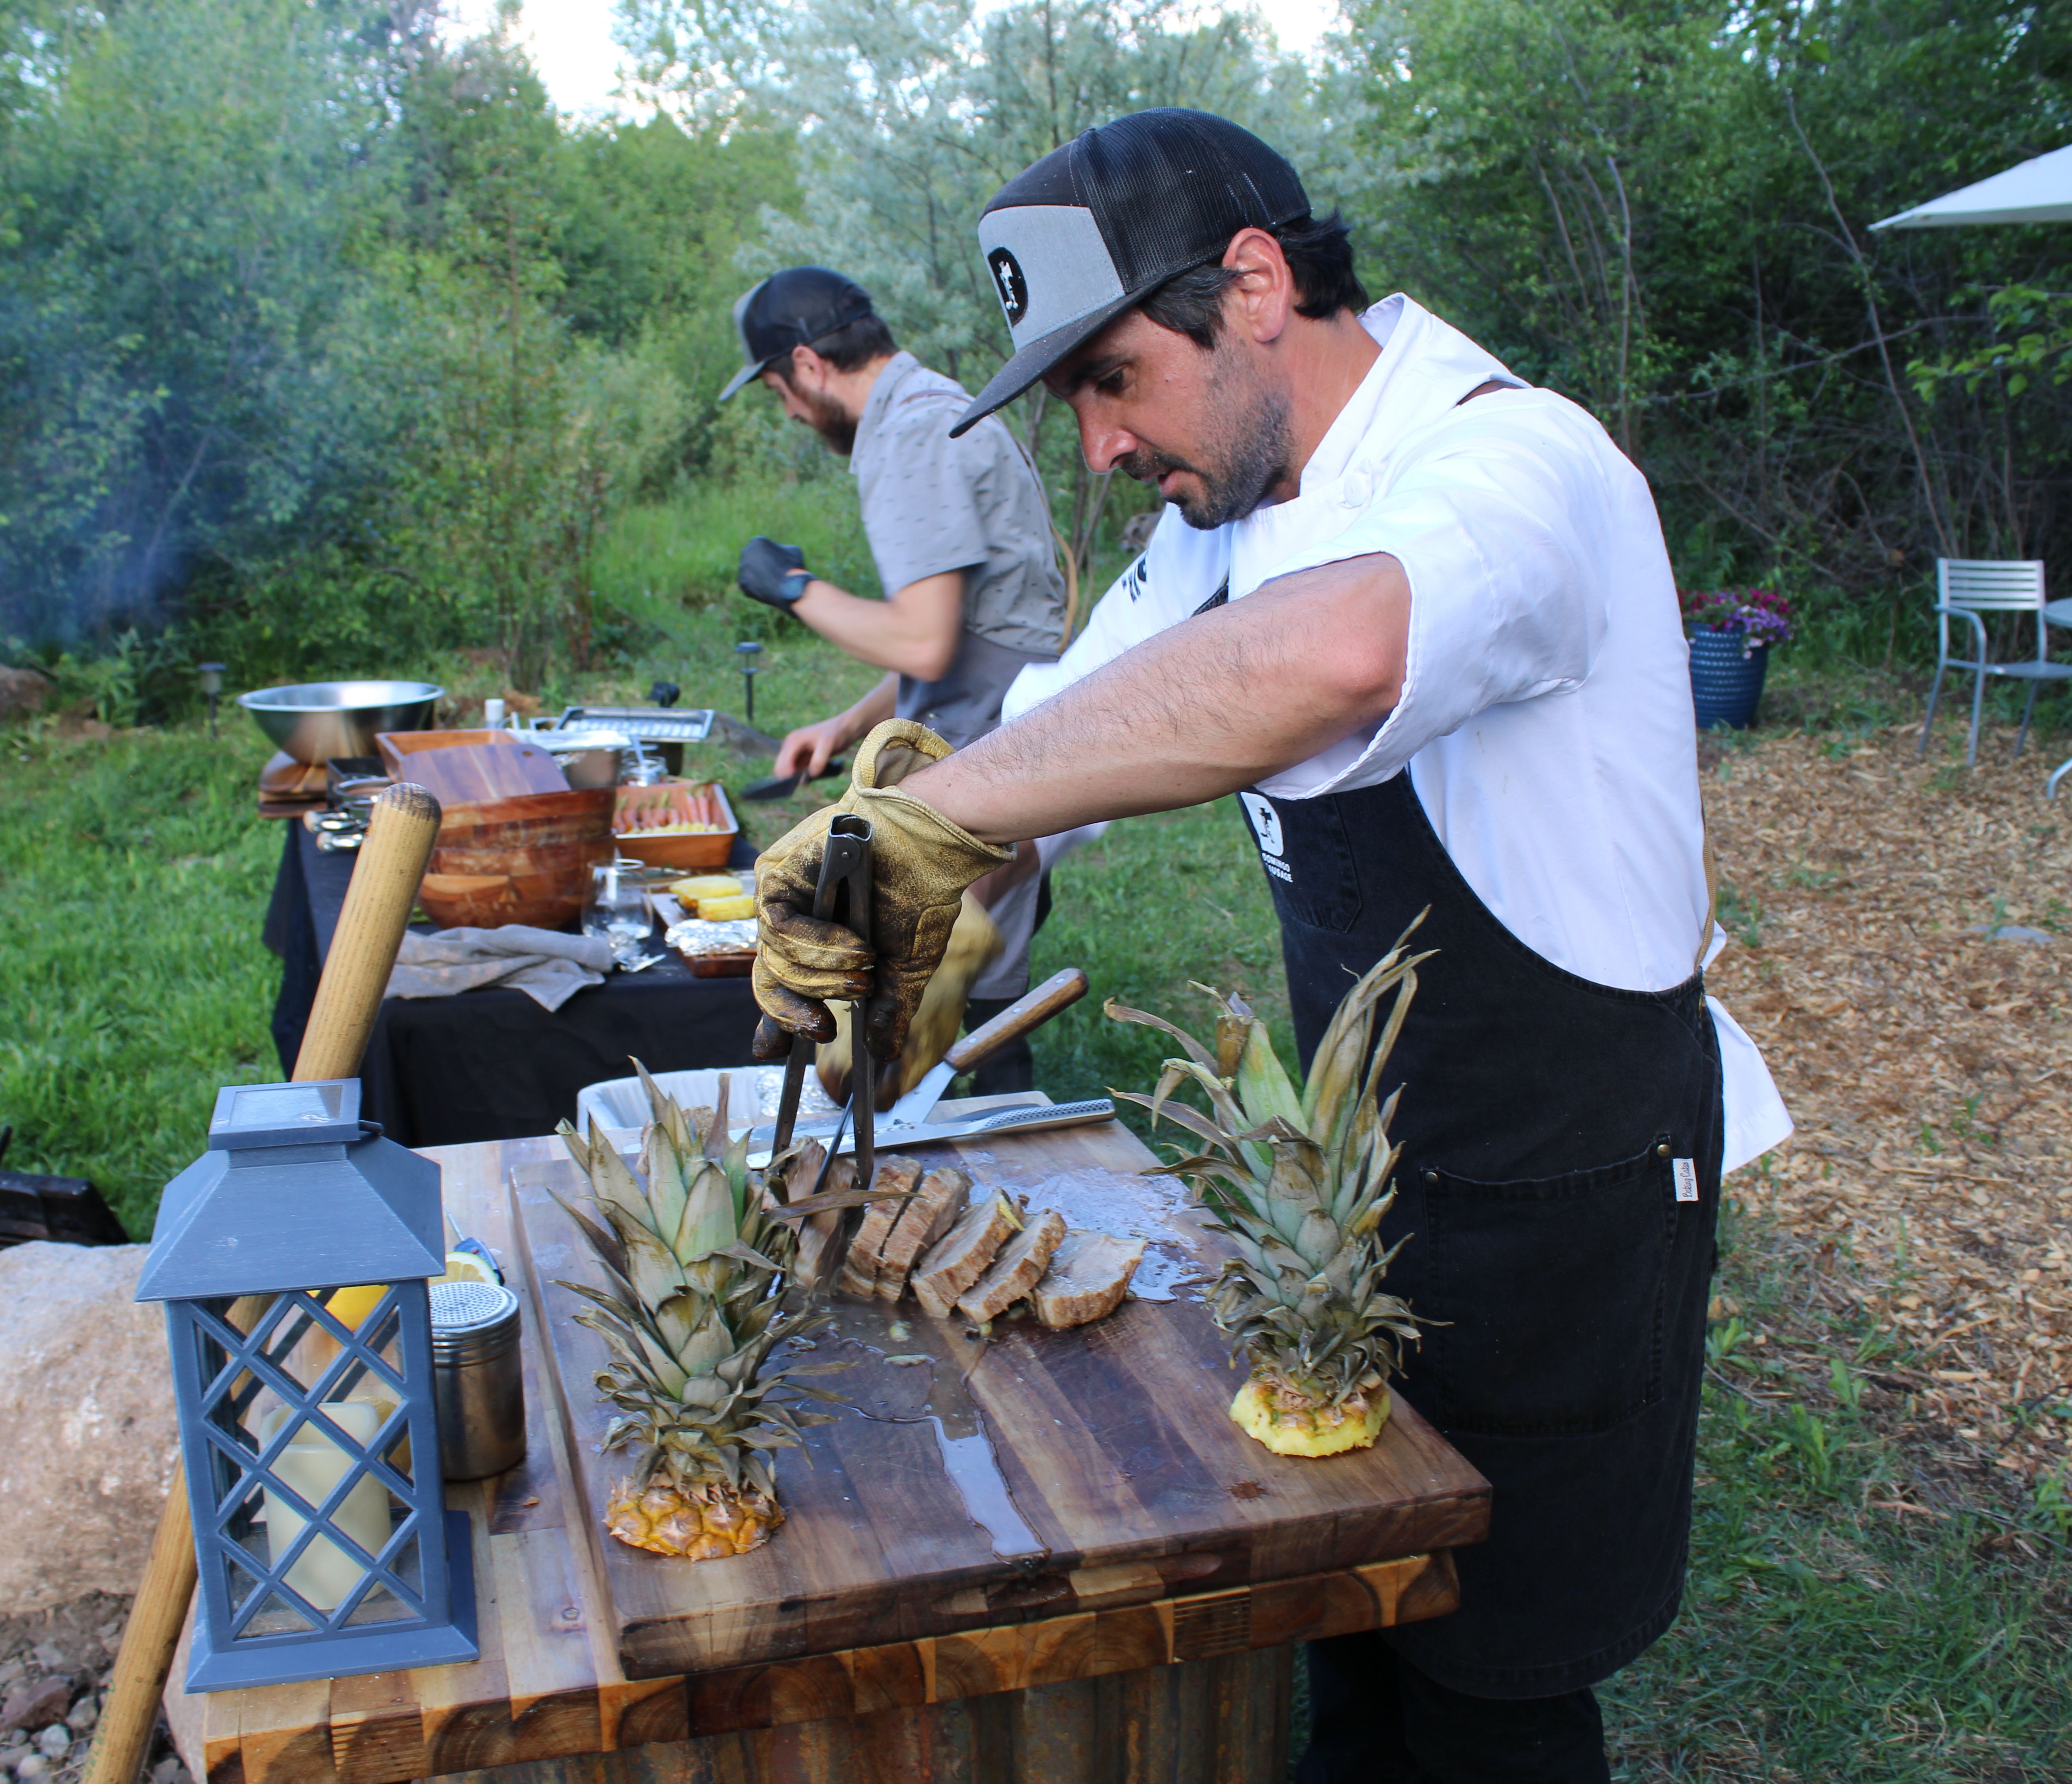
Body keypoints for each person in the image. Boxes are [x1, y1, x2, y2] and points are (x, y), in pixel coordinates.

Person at [747, 111, 1791, 1784]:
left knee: (1499, 1686)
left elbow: (1342, 654)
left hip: (1567, 1178)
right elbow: (1058, 730)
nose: (1095, 446)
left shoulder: (1516, 462)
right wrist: (915, 892)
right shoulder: (1219, 517)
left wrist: (943, 826)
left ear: (1249, 286)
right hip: (1373, 1169)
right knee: (1363, 1618)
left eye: (1110, 378)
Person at [721, 266, 1078, 1090]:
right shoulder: (935, 410)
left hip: (987, 774)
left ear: (807, 365)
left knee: (953, 1018)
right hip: (989, 745)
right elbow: (965, 635)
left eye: (780, 389)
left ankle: (993, 1174)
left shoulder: (911, 436)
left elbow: (922, 641)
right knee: (947, 1001)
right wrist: (846, 726)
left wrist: (795, 591)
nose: (788, 411)